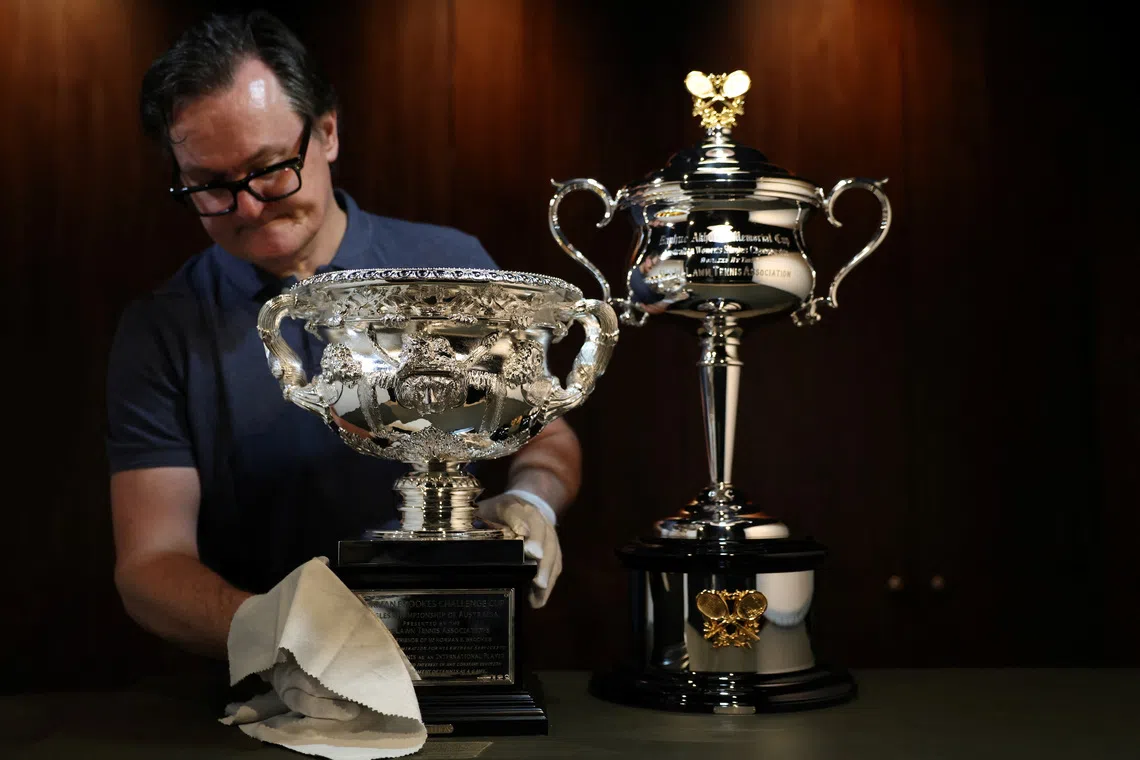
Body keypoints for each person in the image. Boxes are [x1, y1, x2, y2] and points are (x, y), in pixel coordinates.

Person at [107, 10, 576, 663]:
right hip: (269, 684)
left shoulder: (451, 265)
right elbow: (151, 563)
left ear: (326, 132)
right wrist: (295, 636)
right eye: (211, 186)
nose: (248, 206)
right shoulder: (164, 326)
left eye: (270, 168)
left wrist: (533, 499)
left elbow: (543, 434)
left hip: (460, 653)